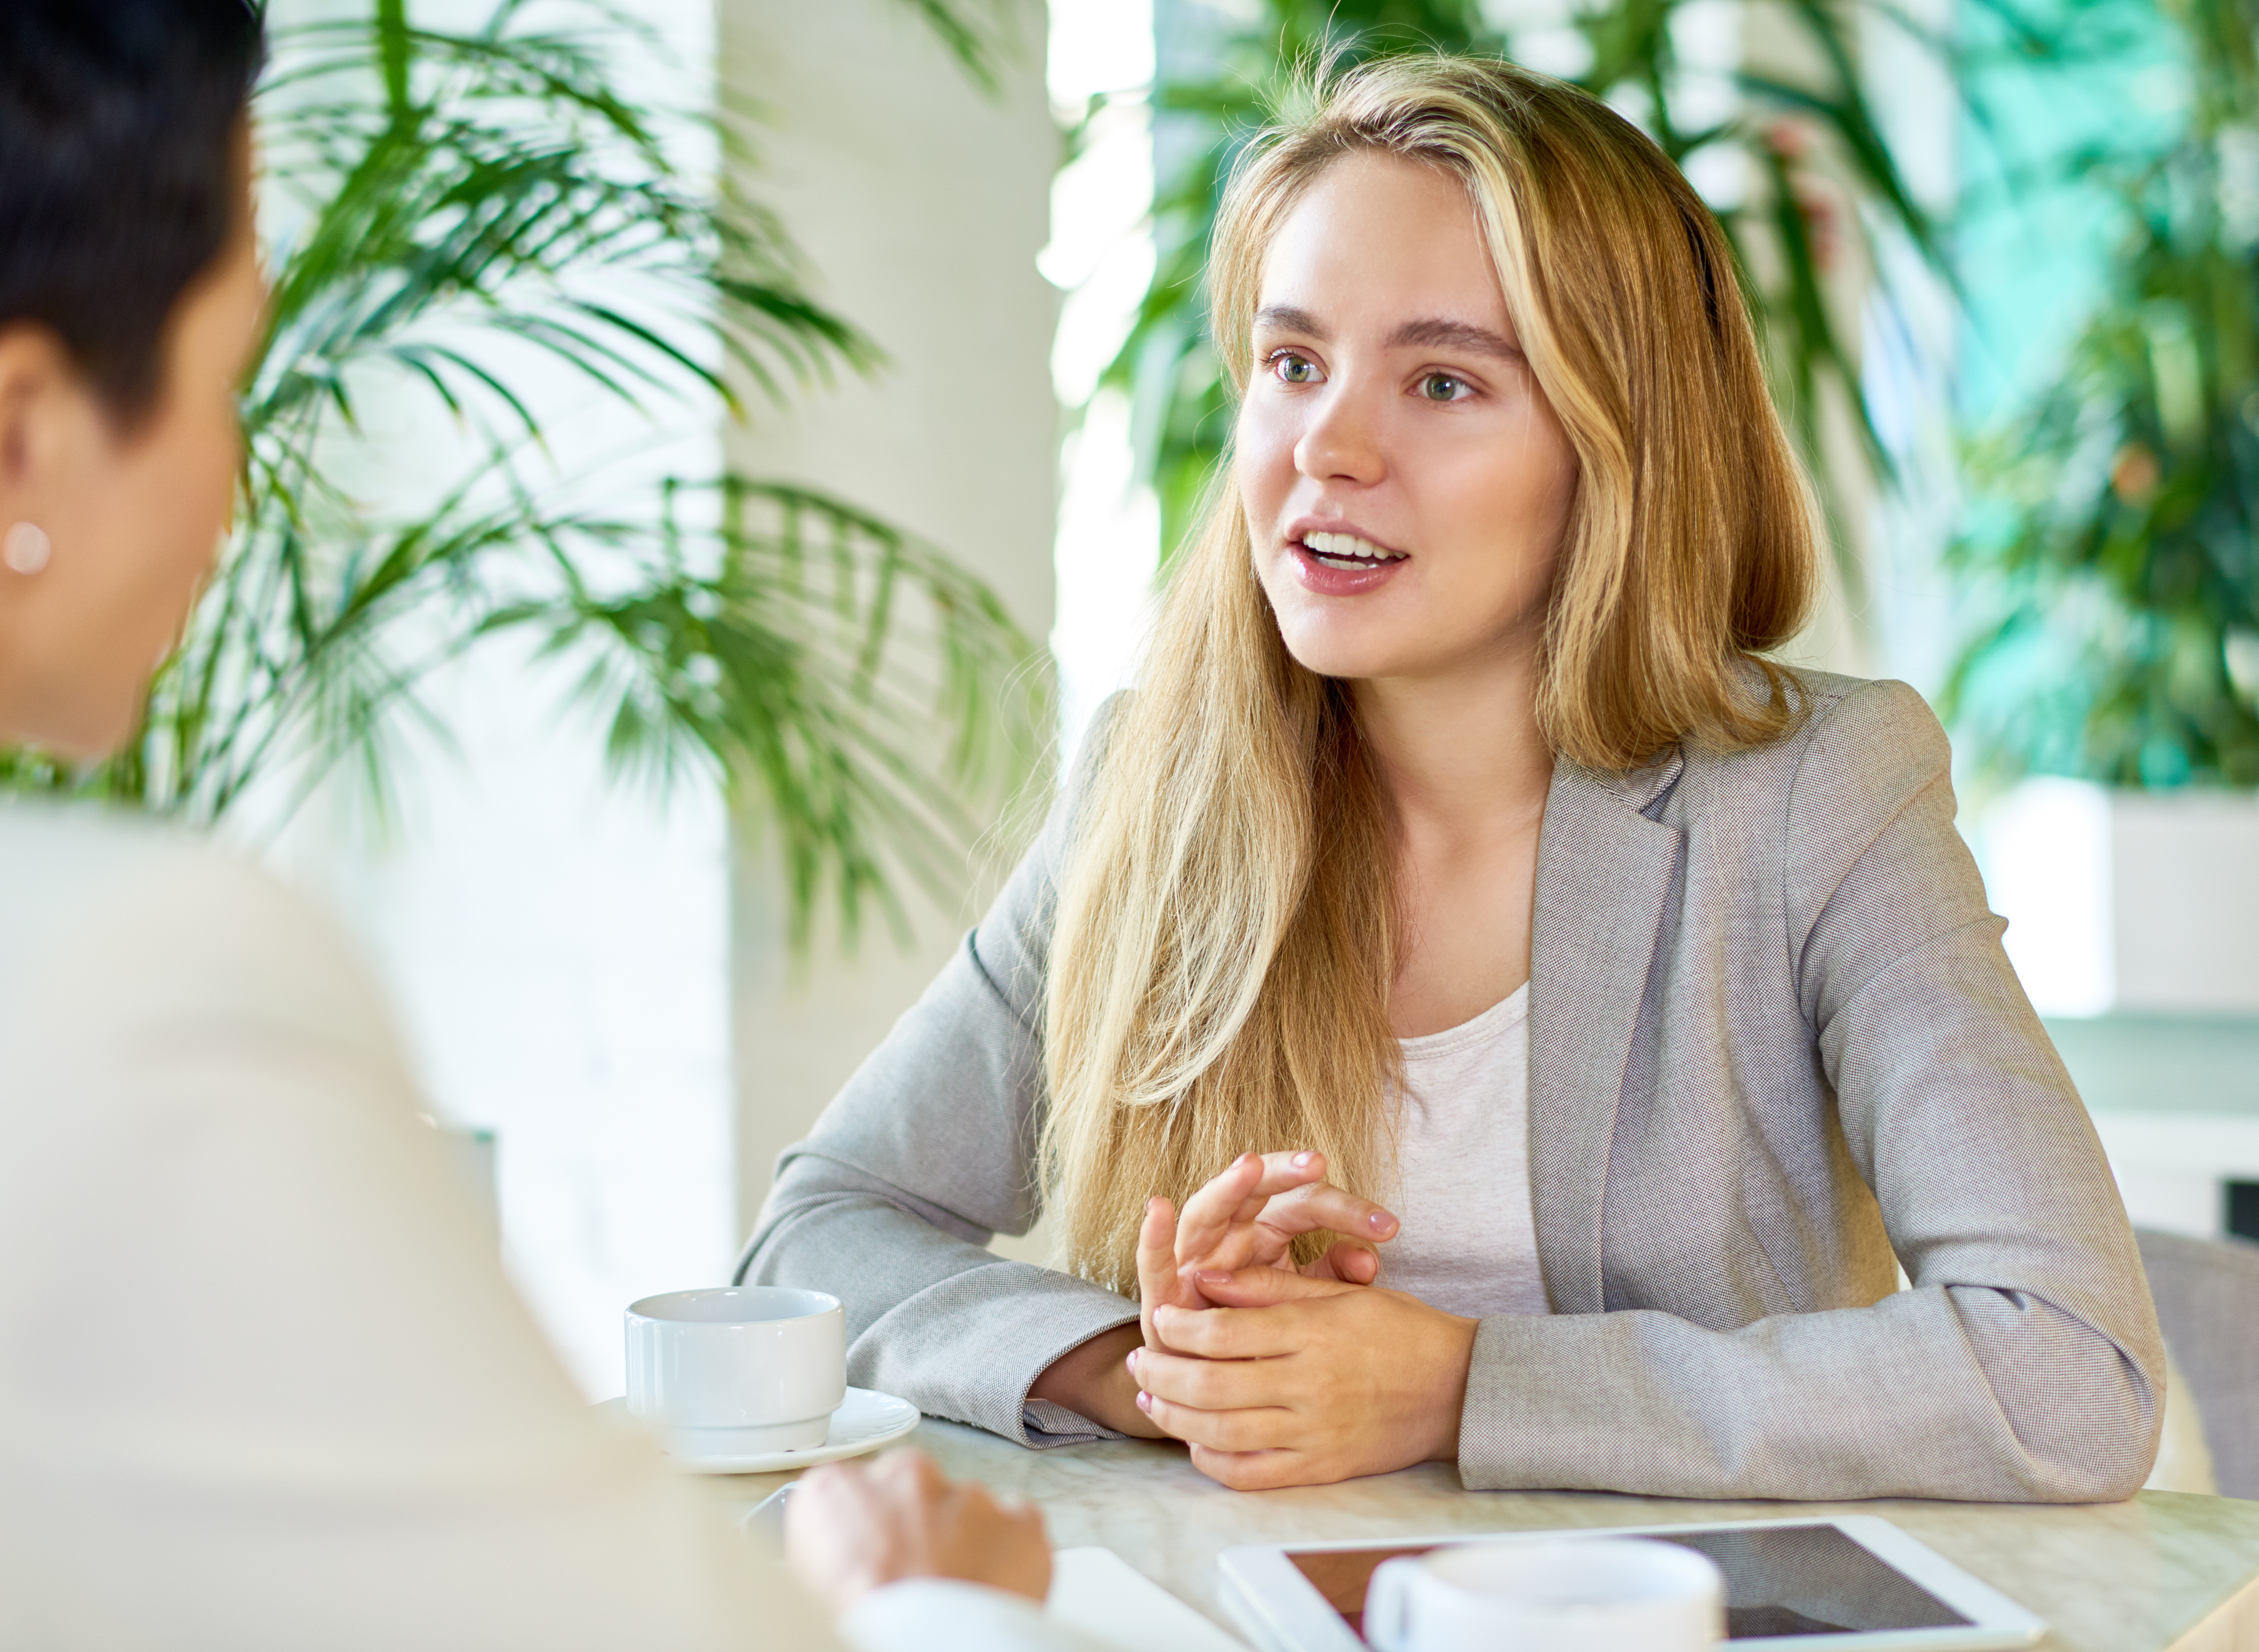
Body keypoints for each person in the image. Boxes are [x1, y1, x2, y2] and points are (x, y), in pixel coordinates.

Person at [739, 54, 2169, 1500]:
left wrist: (1455, 1386)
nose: (1329, 447)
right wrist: (1166, 1371)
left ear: (1618, 452)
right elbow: (818, 1235)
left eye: (1441, 381)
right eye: (1293, 364)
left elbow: (2064, 1368)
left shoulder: (1812, 798)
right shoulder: (1152, 793)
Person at [0, 4, 1098, 1646]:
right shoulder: (129, 972)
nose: (234, 489)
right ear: (23, 430)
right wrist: (920, 1601)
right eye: (234, 381)